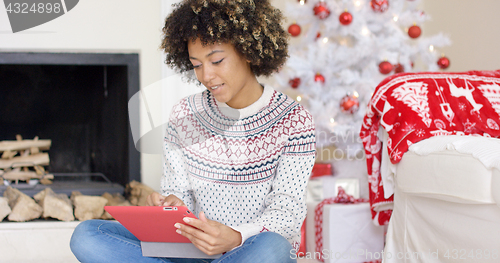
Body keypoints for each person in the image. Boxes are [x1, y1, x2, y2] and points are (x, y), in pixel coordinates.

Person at [70, 0, 316, 262]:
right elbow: (179, 195)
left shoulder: (294, 120)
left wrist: (234, 236)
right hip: (189, 252)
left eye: (217, 60)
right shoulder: (184, 114)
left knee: (273, 248)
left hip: (247, 249)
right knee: (87, 234)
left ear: (247, 51)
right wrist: (172, 205)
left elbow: (287, 214)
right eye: (197, 65)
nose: (206, 76)